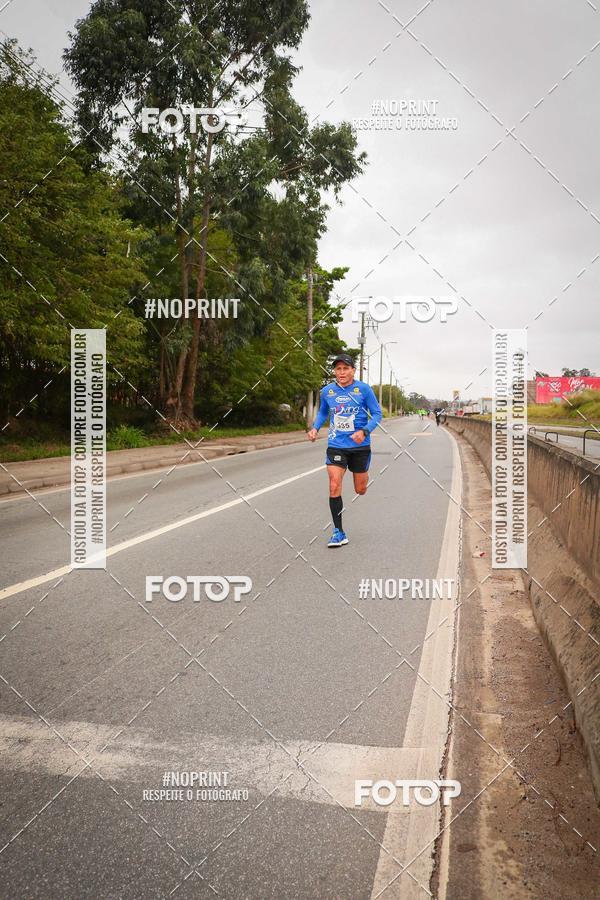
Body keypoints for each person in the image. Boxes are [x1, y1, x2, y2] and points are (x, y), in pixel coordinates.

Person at [307, 353, 382, 546]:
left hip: (359, 446)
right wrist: (315, 427)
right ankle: (338, 531)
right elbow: (324, 411)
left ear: (353, 370)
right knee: (334, 485)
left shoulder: (363, 390)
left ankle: (362, 474)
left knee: (361, 489)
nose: (341, 372)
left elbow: (376, 414)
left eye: (345, 368)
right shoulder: (327, 391)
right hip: (336, 445)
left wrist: (365, 431)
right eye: (338, 369)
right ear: (334, 371)